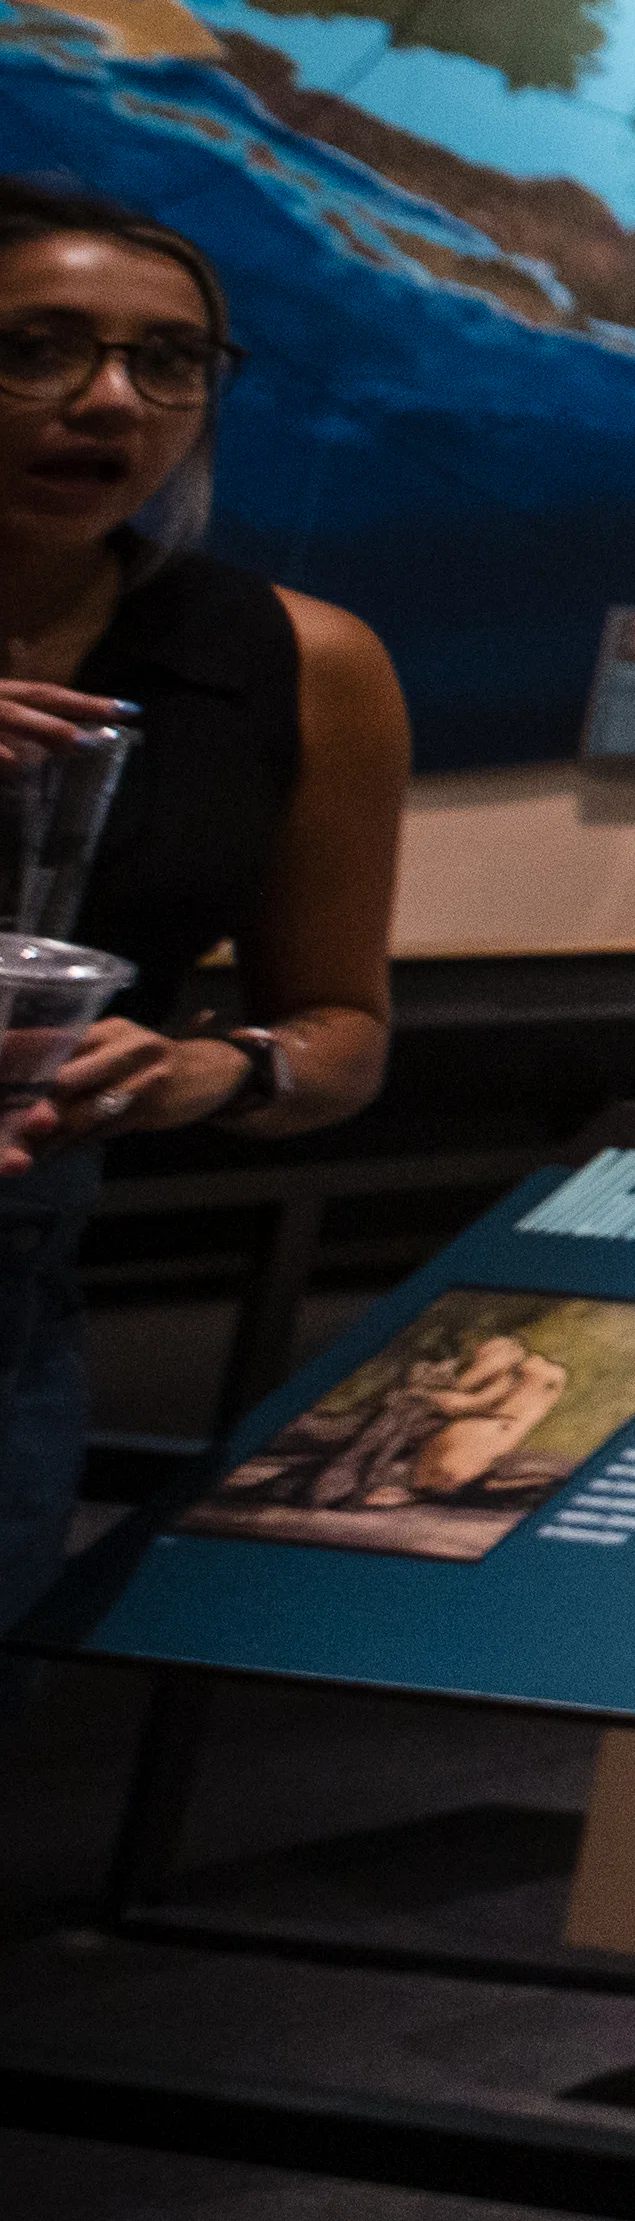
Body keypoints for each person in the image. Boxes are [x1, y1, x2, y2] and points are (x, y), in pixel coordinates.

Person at [1, 177, 412, 1612]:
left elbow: (343, 1034)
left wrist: (212, 1071)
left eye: (168, 362)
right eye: (37, 349)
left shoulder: (300, 663)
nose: (109, 401)